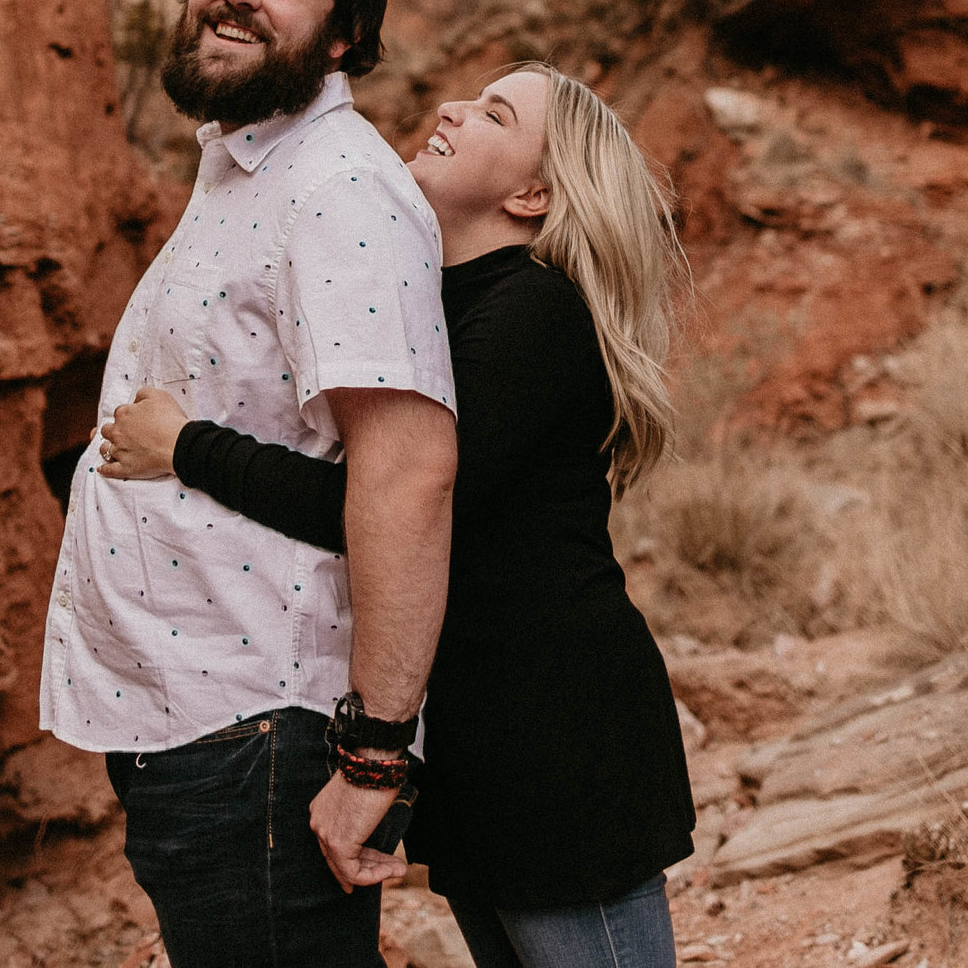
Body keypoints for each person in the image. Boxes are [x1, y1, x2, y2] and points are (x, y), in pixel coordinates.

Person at [99, 61, 697, 968]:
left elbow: (385, 503)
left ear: (535, 192)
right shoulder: (438, 304)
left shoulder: (533, 311)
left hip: (562, 746)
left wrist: (187, 445)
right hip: (484, 747)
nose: (453, 106)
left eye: (495, 113)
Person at [40, 0, 459, 968]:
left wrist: (375, 757)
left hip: (260, 732)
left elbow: (408, 470)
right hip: (194, 724)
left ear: (343, 34)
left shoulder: (338, 188)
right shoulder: (242, 169)